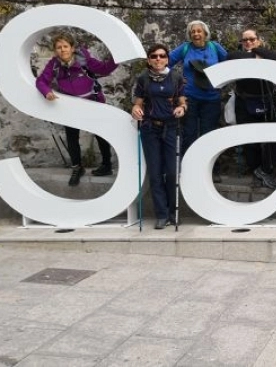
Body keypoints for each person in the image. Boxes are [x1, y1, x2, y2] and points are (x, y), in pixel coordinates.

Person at [35, 32, 118, 186]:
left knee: (101, 135)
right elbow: (41, 81)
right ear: (55, 50)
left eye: (65, 46)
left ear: (72, 48)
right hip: (70, 107)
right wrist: (47, 92)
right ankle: (77, 168)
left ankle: (106, 165)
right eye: (58, 47)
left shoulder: (84, 60)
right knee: (72, 137)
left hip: (92, 102)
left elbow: (105, 69)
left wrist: (117, 57)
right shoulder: (54, 64)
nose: (62, 50)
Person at [131, 44, 187, 229]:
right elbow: (138, 102)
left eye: (162, 56)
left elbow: (182, 99)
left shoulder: (176, 77)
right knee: (155, 174)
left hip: (171, 127)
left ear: (167, 59)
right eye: (154, 56)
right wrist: (135, 109)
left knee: (171, 173)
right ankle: (161, 215)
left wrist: (182, 108)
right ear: (148, 59)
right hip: (150, 129)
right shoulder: (143, 78)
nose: (158, 59)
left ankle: (173, 213)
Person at [168, 20, 227, 183]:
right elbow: (166, 62)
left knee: (210, 135)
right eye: (193, 31)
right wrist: (177, 80)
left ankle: (212, 170)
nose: (196, 34)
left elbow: (229, 65)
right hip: (190, 98)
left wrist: (221, 81)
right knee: (189, 134)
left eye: (199, 31)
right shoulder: (185, 48)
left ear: (205, 33)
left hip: (212, 98)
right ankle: (188, 169)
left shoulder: (215, 47)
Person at [227, 28, 276, 190]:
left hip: (267, 102)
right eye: (245, 40)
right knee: (250, 142)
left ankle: (265, 170)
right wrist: (254, 56)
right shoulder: (237, 56)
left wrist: (258, 51)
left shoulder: (266, 54)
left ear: (259, 40)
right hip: (245, 103)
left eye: (252, 39)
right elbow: (229, 57)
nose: (248, 43)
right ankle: (255, 174)